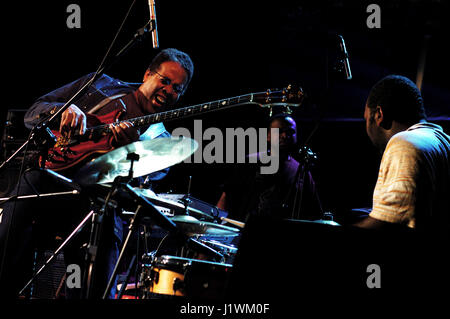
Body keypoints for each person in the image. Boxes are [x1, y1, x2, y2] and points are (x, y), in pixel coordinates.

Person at [0, 48, 194, 299]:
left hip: (95, 204)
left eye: (177, 88)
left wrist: (127, 153)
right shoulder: (100, 85)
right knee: (23, 199)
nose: (169, 90)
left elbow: (136, 192)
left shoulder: (159, 139)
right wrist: (62, 113)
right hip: (50, 179)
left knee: (104, 238)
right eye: (164, 81)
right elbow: (33, 112)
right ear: (147, 75)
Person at [354, 75, 450, 237]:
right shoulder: (444, 142)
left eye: (366, 119)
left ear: (379, 115)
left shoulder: (404, 143)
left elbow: (390, 224)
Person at [216, 114, 323, 223]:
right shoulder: (250, 162)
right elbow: (226, 196)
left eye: (290, 132)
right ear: (268, 136)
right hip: (243, 231)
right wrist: (217, 226)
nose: (284, 135)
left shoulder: (302, 171)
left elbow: (314, 212)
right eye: (279, 131)